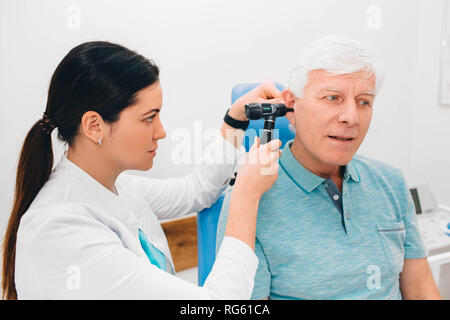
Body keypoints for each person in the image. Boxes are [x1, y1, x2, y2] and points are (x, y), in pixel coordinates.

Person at [1, 41, 282, 299]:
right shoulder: (61, 231)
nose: (161, 132)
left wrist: (235, 120)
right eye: (149, 118)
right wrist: (246, 196)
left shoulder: (115, 188)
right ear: (93, 126)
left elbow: (197, 191)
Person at [216, 35, 442, 300]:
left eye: (364, 101)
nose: (351, 117)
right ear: (291, 104)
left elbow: (421, 290)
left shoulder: (390, 182)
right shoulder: (250, 201)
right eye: (332, 97)